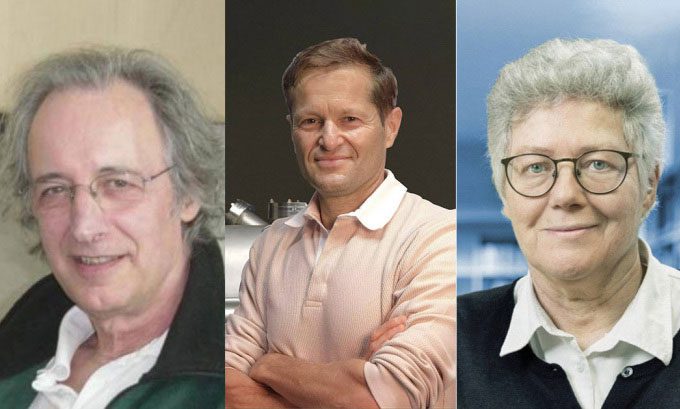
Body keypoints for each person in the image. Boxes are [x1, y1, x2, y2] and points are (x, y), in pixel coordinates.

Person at [225, 38, 455, 408]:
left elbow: (375, 400)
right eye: (311, 121)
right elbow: (223, 387)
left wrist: (269, 366)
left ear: (390, 126)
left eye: (350, 119)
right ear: (293, 130)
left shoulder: (438, 239)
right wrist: (349, 380)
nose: (329, 139)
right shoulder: (271, 245)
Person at [458, 38, 680, 409]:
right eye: (535, 167)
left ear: (649, 185)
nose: (565, 195)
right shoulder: (447, 340)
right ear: (505, 196)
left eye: (598, 163)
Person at [0, 47, 225, 408]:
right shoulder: (21, 341)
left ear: (189, 192)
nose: (85, 227)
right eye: (55, 190)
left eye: (119, 183)